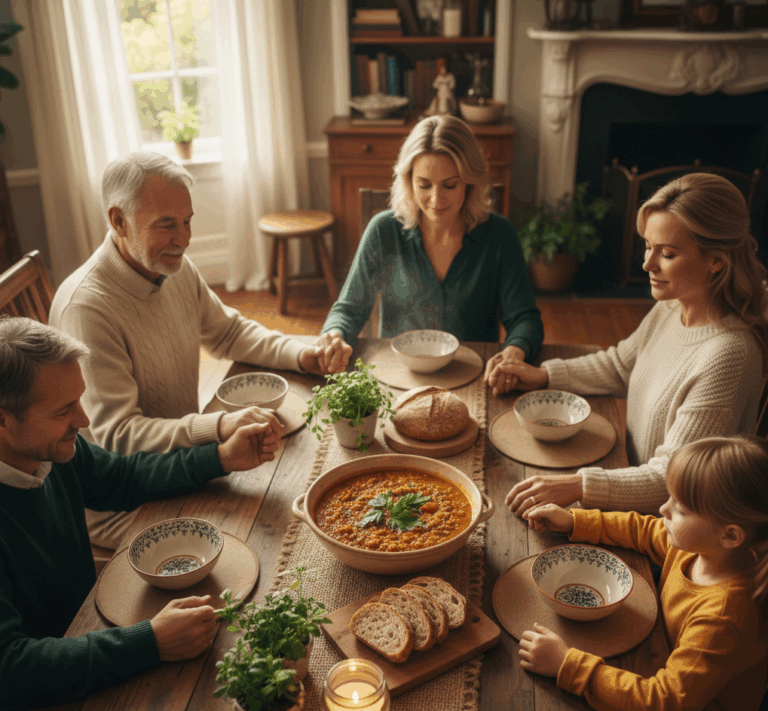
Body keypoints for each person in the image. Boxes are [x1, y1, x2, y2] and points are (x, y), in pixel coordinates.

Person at [50, 152, 352, 549]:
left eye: (188, 221)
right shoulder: (86, 309)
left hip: (184, 466)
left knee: (298, 495)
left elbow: (228, 333)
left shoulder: (169, 265)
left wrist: (301, 353)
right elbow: (118, 438)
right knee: (270, 536)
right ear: (118, 220)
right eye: (167, 224)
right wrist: (217, 426)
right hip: (125, 503)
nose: (184, 238)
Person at [0, 317, 281, 710]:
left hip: (87, 629)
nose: (83, 420)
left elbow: (123, 477)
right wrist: (149, 642)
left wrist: (219, 457)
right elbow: (11, 670)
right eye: (65, 409)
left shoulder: (51, 449)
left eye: (80, 400)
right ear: (4, 420)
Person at [503, 173, 768, 516]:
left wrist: (578, 485)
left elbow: (671, 481)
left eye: (668, 254)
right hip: (623, 472)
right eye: (648, 246)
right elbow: (620, 366)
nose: (647, 264)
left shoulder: (729, 355)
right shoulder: (673, 304)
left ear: (716, 260)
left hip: (662, 527)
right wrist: (542, 376)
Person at [518, 435, 768, 710]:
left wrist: (567, 665)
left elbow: (666, 699)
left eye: (680, 510)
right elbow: (644, 530)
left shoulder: (724, 616)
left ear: (730, 536)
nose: (664, 509)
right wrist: (575, 521)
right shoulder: (701, 548)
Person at [320, 115, 543, 391]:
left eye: (450, 185)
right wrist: (335, 335)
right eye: (424, 185)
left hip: (474, 380)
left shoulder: (499, 236)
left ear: (470, 182)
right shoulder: (384, 231)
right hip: (395, 379)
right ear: (408, 180)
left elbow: (524, 318)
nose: (436, 199)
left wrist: (514, 352)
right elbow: (349, 309)